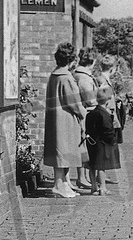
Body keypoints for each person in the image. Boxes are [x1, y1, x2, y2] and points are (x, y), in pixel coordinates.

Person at [43, 42, 86, 198]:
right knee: (64, 151)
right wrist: (84, 114)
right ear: (72, 60)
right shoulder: (66, 77)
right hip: (66, 120)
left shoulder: (54, 75)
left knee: (60, 151)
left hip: (55, 118)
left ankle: (64, 184)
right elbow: (74, 103)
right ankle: (59, 185)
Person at [85, 86, 120, 196]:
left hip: (91, 142)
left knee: (92, 165)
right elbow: (108, 130)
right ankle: (103, 188)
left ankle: (94, 187)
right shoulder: (105, 115)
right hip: (102, 144)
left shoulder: (91, 113)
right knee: (101, 166)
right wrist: (113, 140)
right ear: (108, 101)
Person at [71, 48, 98, 190]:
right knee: (84, 146)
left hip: (82, 114)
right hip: (85, 115)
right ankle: (81, 177)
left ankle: (84, 177)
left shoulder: (78, 74)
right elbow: (90, 99)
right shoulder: (84, 77)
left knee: (83, 144)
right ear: (92, 61)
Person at [96, 54, 122, 184]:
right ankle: (101, 175)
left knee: (107, 147)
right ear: (113, 68)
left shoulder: (104, 79)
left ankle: (102, 174)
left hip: (108, 115)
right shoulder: (102, 80)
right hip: (106, 116)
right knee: (105, 147)